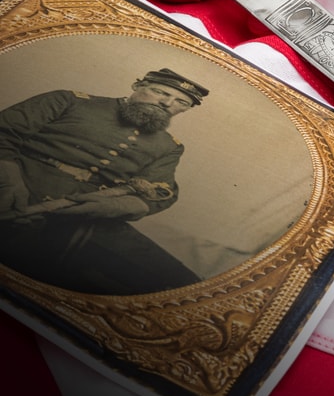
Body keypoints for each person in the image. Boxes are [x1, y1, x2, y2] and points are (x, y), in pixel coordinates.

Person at [0, 68, 209, 294]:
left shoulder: (169, 146)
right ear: (137, 85)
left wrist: (111, 207)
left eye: (181, 102)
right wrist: (9, 185)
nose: (167, 103)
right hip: (19, 186)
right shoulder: (69, 101)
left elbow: (161, 192)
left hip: (87, 214)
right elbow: (4, 133)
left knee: (184, 285)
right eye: (160, 92)